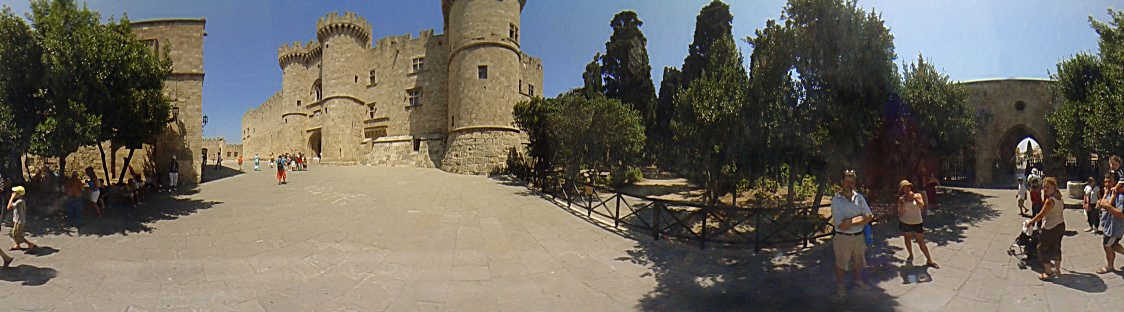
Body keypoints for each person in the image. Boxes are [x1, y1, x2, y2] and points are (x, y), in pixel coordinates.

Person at [831, 170, 874, 297]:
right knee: (841, 263)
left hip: (859, 236)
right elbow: (841, 225)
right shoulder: (836, 200)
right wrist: (861, 218)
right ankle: (840, 285)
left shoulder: (859, 197)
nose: (850, 184)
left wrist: (851, 221)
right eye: (847, 182)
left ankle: (857, 280)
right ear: (842, 182)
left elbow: (870, 216)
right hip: (842, 238)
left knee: (858, 261)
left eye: (852, 182)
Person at [1028, 177, 1066, 280]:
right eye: (1044, 187)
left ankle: (1049, 272)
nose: (1045, 189)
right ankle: (1057, 270)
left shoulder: (1050, 201)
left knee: (1041, 249)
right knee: (1056, 247)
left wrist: (1030, 222)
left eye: (1048, 187)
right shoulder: (1059, 197)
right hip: (1060, 225)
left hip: (1050, 227)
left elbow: (1041, 215)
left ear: (1054, 187)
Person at [898, 180, 938, 268]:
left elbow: (922, 206)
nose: (907, 189)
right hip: (905, 222)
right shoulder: (902, 199)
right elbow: (900, 212)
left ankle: (929, 259)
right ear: (902, 190)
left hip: (917, 222)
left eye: (908, 186)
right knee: (907, 239)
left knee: (921, 241)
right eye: (905, 187)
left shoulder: (918, 195)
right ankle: (911, 254)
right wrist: (901, 204)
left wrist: (914, 197)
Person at [1096, 173, 1124, 274]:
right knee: (1114, 245)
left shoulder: (1120, 196)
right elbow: (1103, 204)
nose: (1107, 184)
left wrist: (1107, 206)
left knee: (1107, 245)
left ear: (1116, 183)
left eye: (1110, 181)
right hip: (1108, 225)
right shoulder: (1109, 192)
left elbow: (1121, 214)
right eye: (1106, 181)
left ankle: (1110, 266)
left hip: (1114, 228)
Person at [7, 186, 36, 252]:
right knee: (14, 234)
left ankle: (30, 244)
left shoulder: (19, 202)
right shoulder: (19, 201)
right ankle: (17, 245)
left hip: (19, 221)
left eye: (15, 193)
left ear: (18, 194)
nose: (13, 193)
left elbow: (8, 207)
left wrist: (11, 197)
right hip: (17, 220)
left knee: (17, 235)